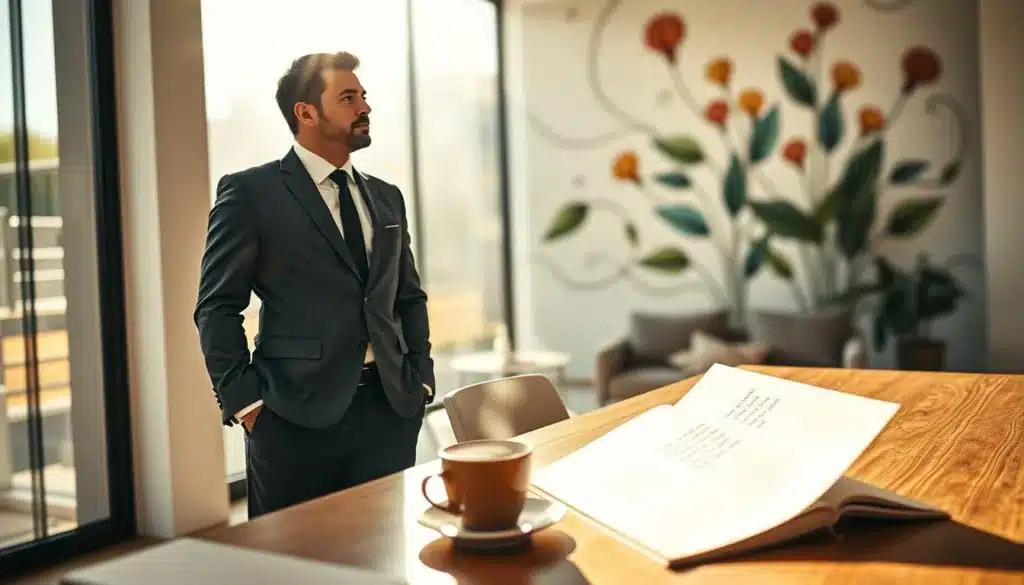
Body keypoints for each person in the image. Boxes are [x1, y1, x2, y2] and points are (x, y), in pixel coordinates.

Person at [194, 51, 434, 519]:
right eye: (348, 98)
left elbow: (407, 295)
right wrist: (247, 404)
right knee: (294, 563)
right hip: (293, 415)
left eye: (364, 97)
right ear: (306, 113)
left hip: (390, 409)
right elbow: (216, 307)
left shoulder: (387, 197)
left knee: (382, 554)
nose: (364, 107)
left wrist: (420, 376)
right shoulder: (250, 193)